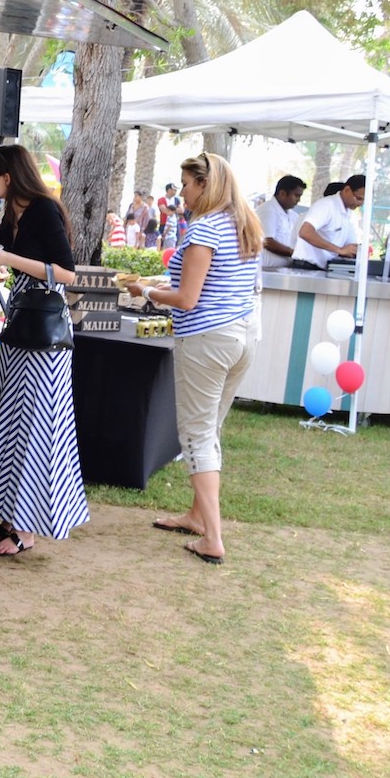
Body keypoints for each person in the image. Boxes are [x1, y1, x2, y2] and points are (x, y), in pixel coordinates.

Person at [126, 153, 262, 564]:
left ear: (204, 184)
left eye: (186, 184)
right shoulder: (245, 224)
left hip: (207, 340)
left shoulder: (204, 228)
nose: (181, 192)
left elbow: (187, 298)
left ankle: (212, 538)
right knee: (210, 428)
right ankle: (198, 516)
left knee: (197, 435)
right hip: (243, 335)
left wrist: (145, 291)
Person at [0, 144, 88, 555]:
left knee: (38, 425)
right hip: (21, 326)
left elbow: (67, 273)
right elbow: (0, 254)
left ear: (8, 176)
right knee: (9, 421)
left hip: (46, 336)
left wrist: (10, 259)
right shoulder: (11, 213)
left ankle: (28, 529)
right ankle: (8, 520)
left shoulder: (43, 209)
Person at [291, 173, 364, 269]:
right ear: (347, 190)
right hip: (306, 266)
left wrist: (354, 250)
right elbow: (305, 232)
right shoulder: (326, 205)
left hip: (324, 267)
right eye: (358, 198)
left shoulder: (348, 213)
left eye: (364, 200)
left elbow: (350, 245)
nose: (360, 203)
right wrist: (339, 250)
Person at [256, 174, 307, 269]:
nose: (298, 200)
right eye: (296, 195)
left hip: (285, 269)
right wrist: (294, 253)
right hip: (267, 269)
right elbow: (267, 241)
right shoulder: (268, 210)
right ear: (282, 193)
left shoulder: (293, 215)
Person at [158, 183, 184, 249]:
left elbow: (181, 210)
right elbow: (164, 210)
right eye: (174, 190)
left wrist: (170, 210)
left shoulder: (176, 200)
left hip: (175, 224)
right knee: (162, 242)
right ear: (169, 190)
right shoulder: (161, 200)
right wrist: (174, 210)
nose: (175, 191)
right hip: (164, 223)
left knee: (176, 242)